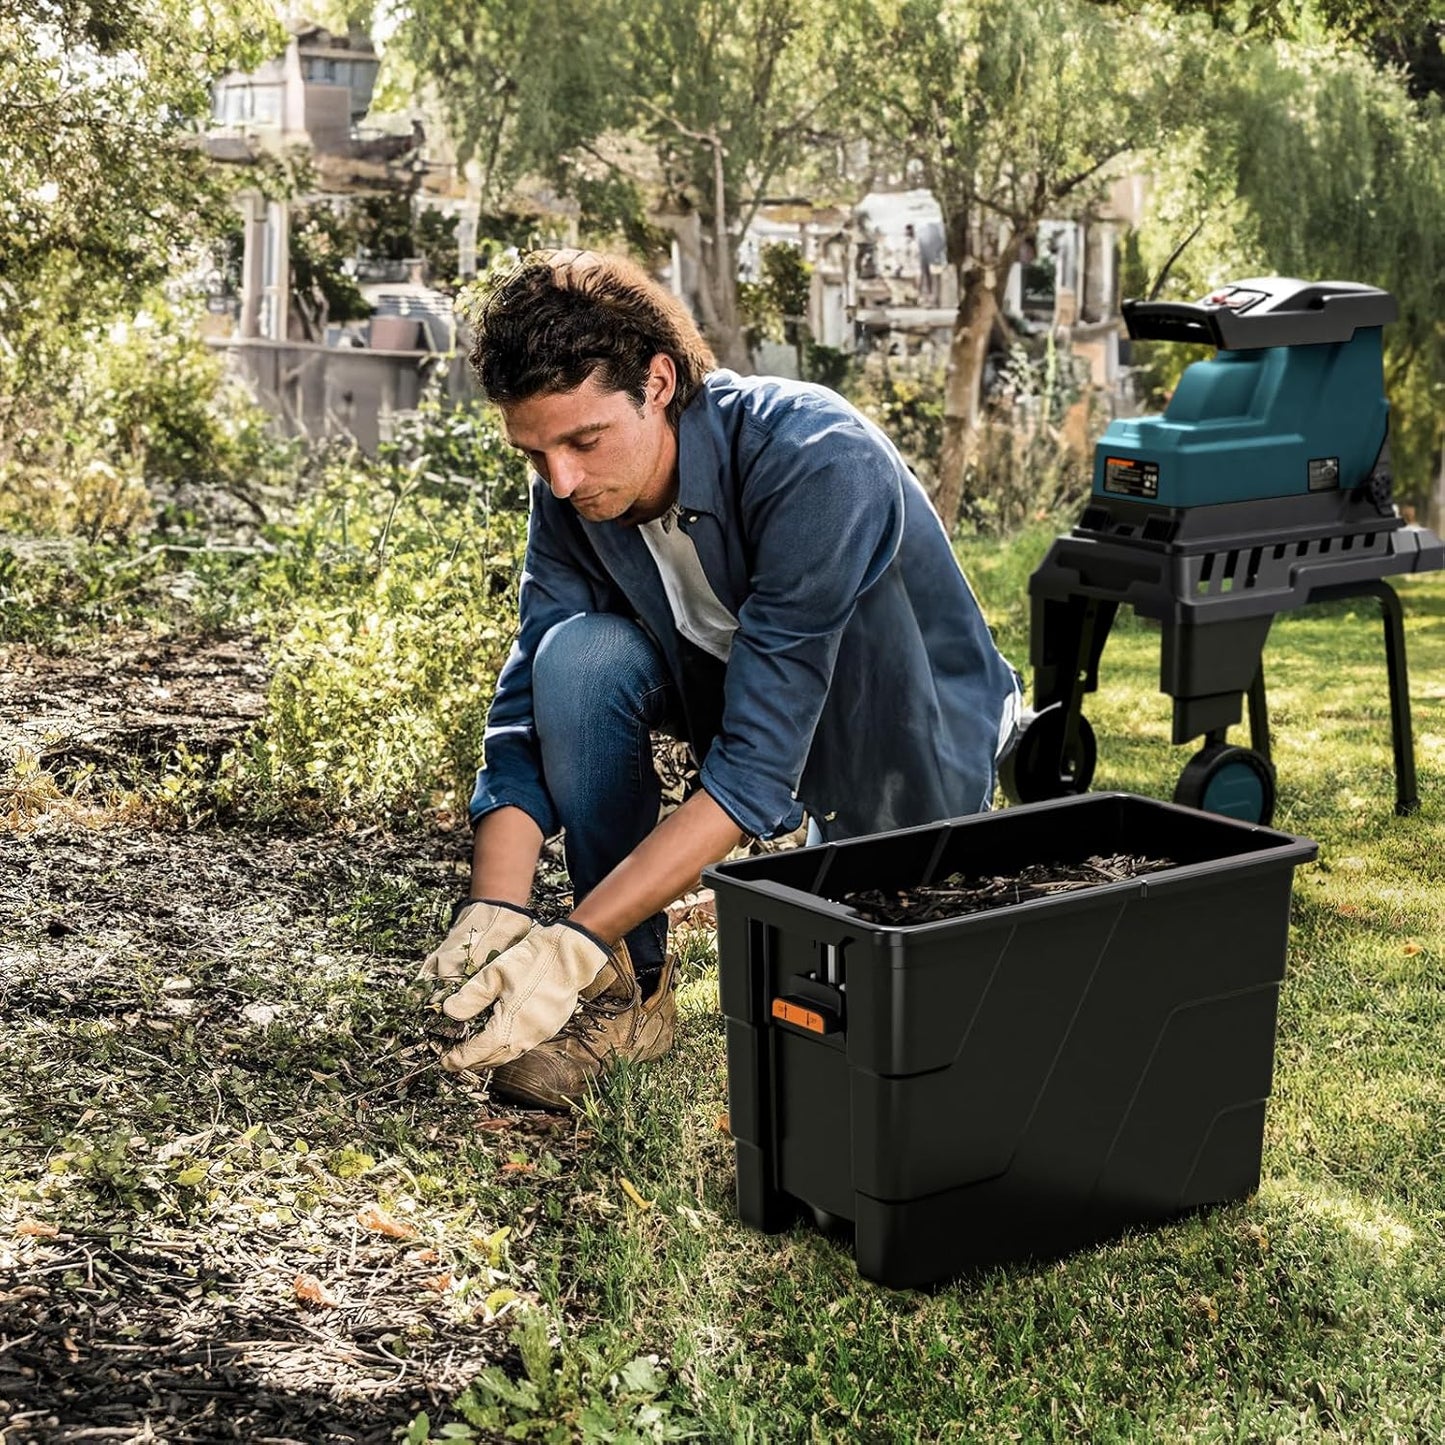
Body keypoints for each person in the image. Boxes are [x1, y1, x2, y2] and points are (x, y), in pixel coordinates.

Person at [419, 249, 1021, 1109]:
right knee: (579, 659)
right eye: (536, 451)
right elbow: (532, 685)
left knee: (903, 964)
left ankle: (604, 947)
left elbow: (753, 767)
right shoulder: (570, 485)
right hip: (731, 680)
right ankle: (631, 992)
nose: (561, 480)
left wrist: (575, 932)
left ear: (657, 382)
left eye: (584, 440)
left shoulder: (816, 458)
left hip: (892, 704)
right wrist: (502, 907)